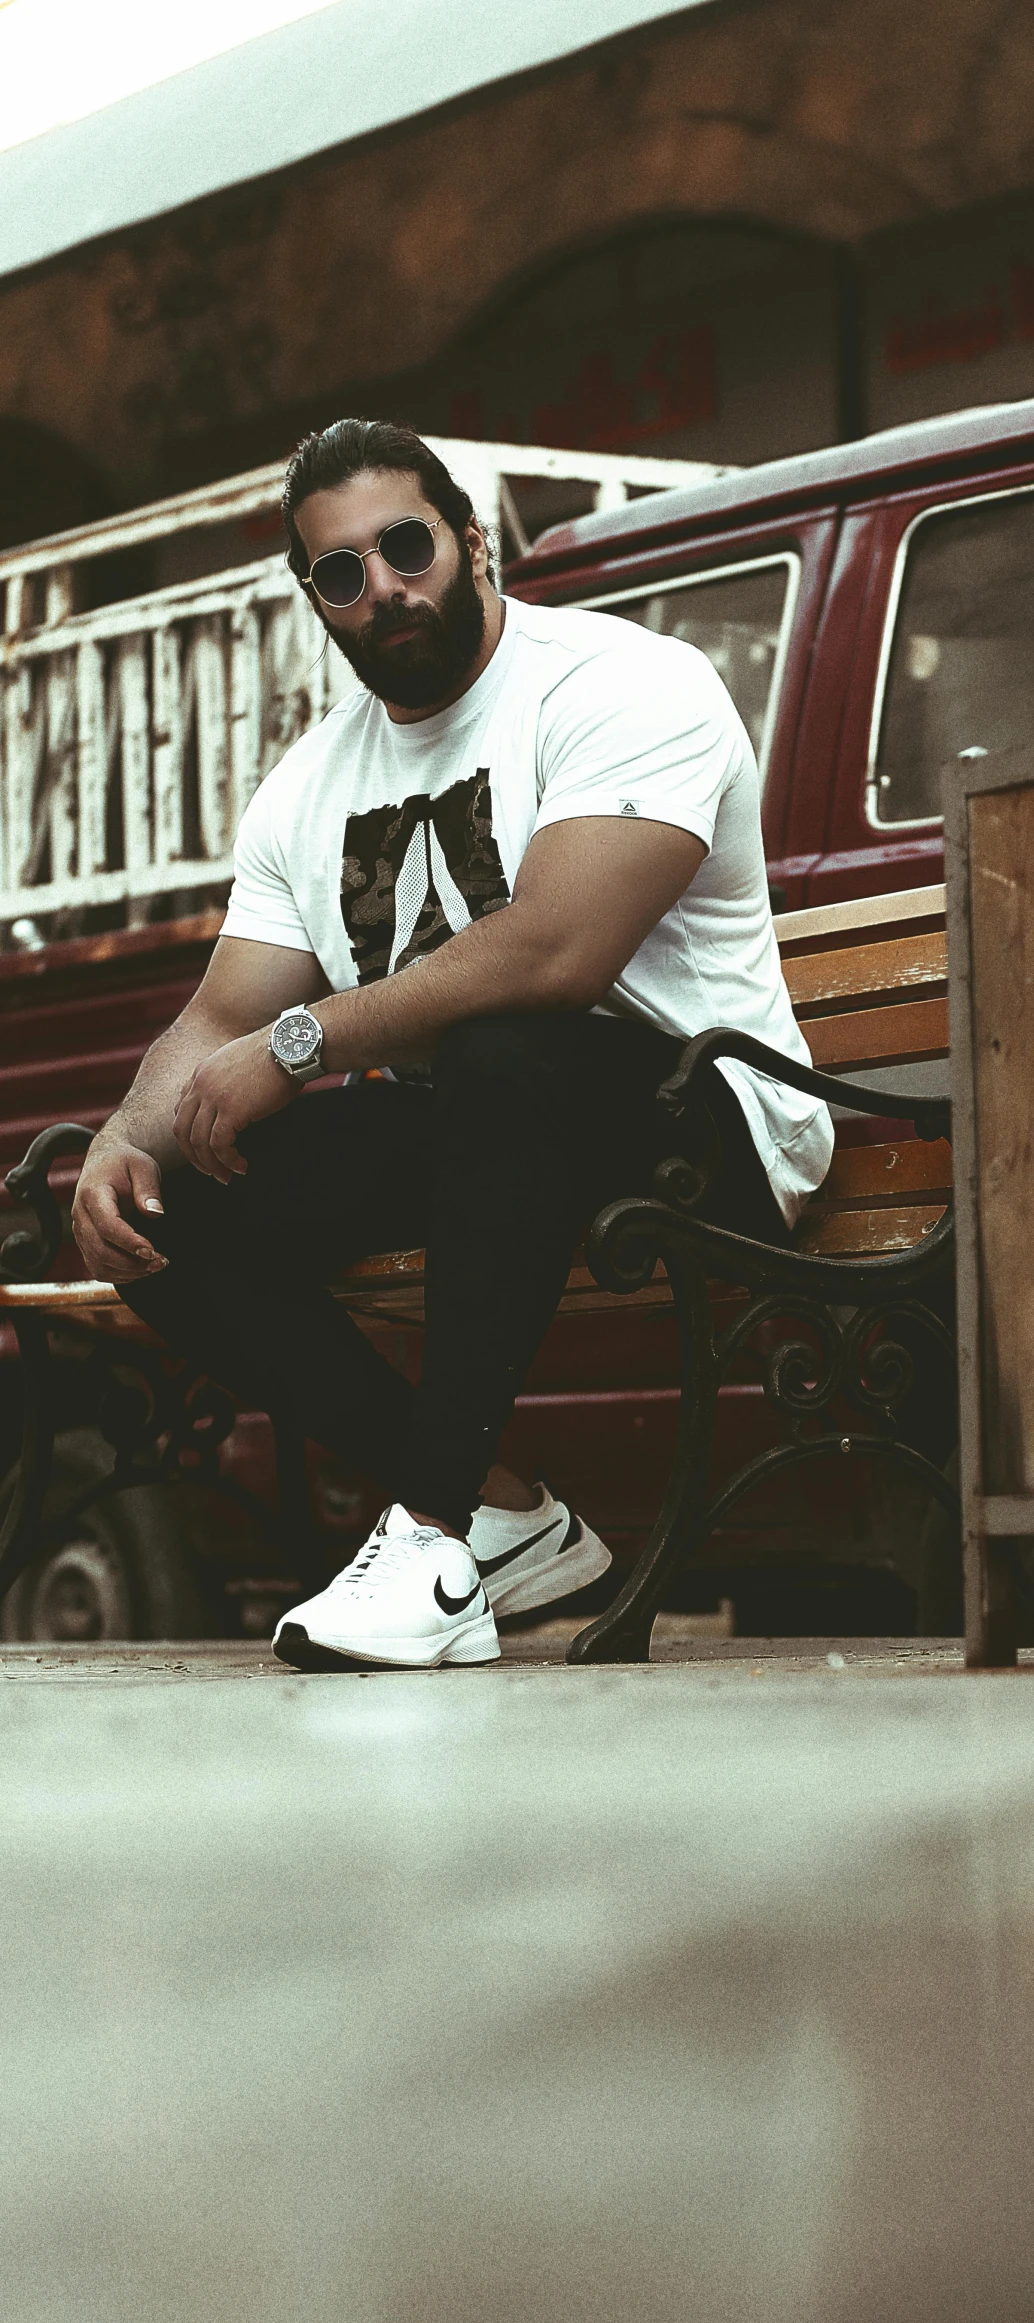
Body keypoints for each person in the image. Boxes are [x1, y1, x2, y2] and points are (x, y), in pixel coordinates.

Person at [70, 419, 833, 1671]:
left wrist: (306, 1040)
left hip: (706, 1120)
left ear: (472, 541)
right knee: (171, 1215)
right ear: (316, 600)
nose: (383, 588)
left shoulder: (619, 681)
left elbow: (555, 956)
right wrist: (120, 1140)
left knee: (502, 1051)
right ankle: (502, 1512)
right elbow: (220, 1014)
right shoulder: (309, 786)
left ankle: (427, 1545)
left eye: (406, 545)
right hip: (492, 1136)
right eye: (340, 573)